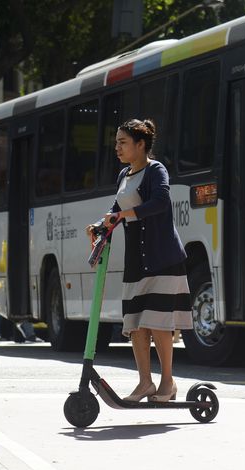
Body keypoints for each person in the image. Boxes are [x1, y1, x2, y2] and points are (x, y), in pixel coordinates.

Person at [86, 119, 192, 402]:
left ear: (140, 144)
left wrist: (121, 216)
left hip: (162, 257)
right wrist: (100, 224)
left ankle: (167, 384)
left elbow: (160, 202)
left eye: (123, 142)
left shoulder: (156, 170)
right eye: (117, 142)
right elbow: (116, 208)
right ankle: (145, 382)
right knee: (136, 324)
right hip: (136, 260)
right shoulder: (124, 175)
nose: (117, 147)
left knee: (158, 322)